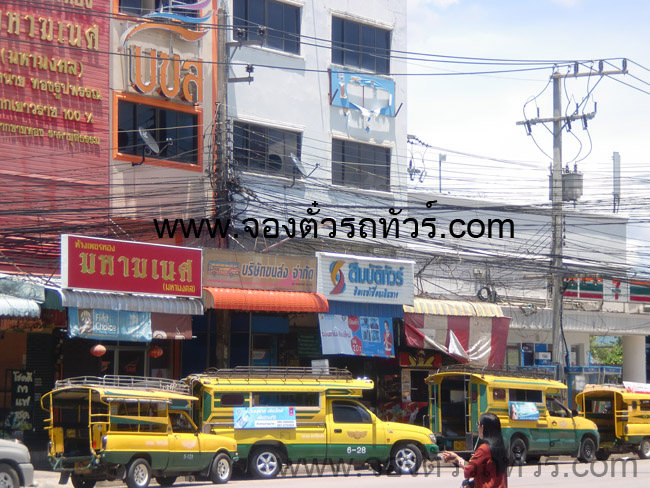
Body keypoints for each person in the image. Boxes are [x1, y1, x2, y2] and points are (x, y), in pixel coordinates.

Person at [441, 413, 508, 488]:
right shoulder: (501, 448)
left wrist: (458, 459)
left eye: (478, 424)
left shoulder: (484, 449)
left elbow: (469, 470)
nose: (477, 427)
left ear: (482, 427)